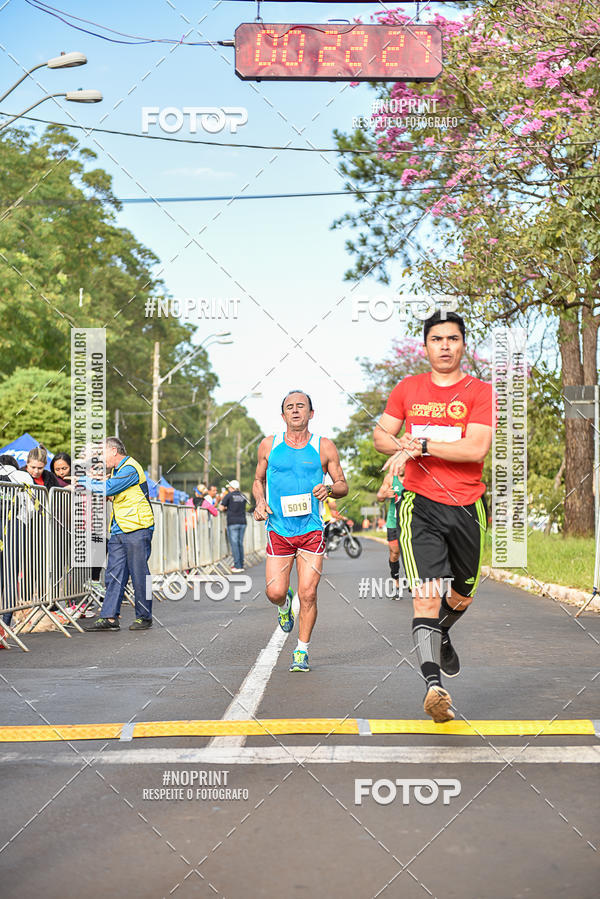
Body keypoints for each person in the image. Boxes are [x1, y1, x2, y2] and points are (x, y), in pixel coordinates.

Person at [374, 310, 493, 723]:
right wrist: (399, 443)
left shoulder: (480, 392)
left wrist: (421, 443)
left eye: (452, 339)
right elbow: (380, 436)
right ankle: (433, 687)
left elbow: (475, 449)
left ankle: (442, 631)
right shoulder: (408, 388)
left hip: (466, 504)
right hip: (418, 502)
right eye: (437, 339)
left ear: (463, 345)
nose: (445, 346)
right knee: (425, 594)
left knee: (462, 594)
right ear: (425, 347)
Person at [253, 390, 348, 672]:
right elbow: (258, 480)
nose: (295, 411)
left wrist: (329, 488)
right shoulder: (269, 445)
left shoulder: (324, 446)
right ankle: (284, 606)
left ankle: (301, 650)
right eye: (290, 407)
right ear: (283, 415)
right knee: (274, 592)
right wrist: (259, 501)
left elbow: (343, 484)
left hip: (310, 530)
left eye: (301, 406)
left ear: (311, 413)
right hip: (279, 529)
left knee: (309, 594)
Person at [81, 437, 155, 632]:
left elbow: (108, 488)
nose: (100, 458)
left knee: (140, 574)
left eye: (102, 452)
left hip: (138, 528)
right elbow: (113, 493)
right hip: (119, 528)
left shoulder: (130, 467)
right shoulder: (117, 470)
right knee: (113, 574)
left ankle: (144, 616)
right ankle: (109, 617)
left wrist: (82, 479)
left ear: (114, 451)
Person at [0, 455, 34, 634]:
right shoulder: (22, 476)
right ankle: (5, 624)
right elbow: (31, 506)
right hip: (14, 525)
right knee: (11, 574)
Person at [376, 470, 405, 600]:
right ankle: (396, 583)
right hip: (394, 522)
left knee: (414, 552)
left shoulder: (417, 473)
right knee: (394, 553)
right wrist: (385, 494)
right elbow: (379, 497)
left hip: (413, 522)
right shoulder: (390, 477)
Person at [219, 479, 248, 572]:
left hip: (233, 521)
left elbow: (221, 507)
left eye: (229, 488)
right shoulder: (243, 496)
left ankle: (237, 565)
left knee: (234, 544)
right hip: (243, 521)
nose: (229, 489)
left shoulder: (229, 495)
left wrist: (226, 508)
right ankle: (241, 564)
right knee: (240, 543)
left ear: (232, 488)